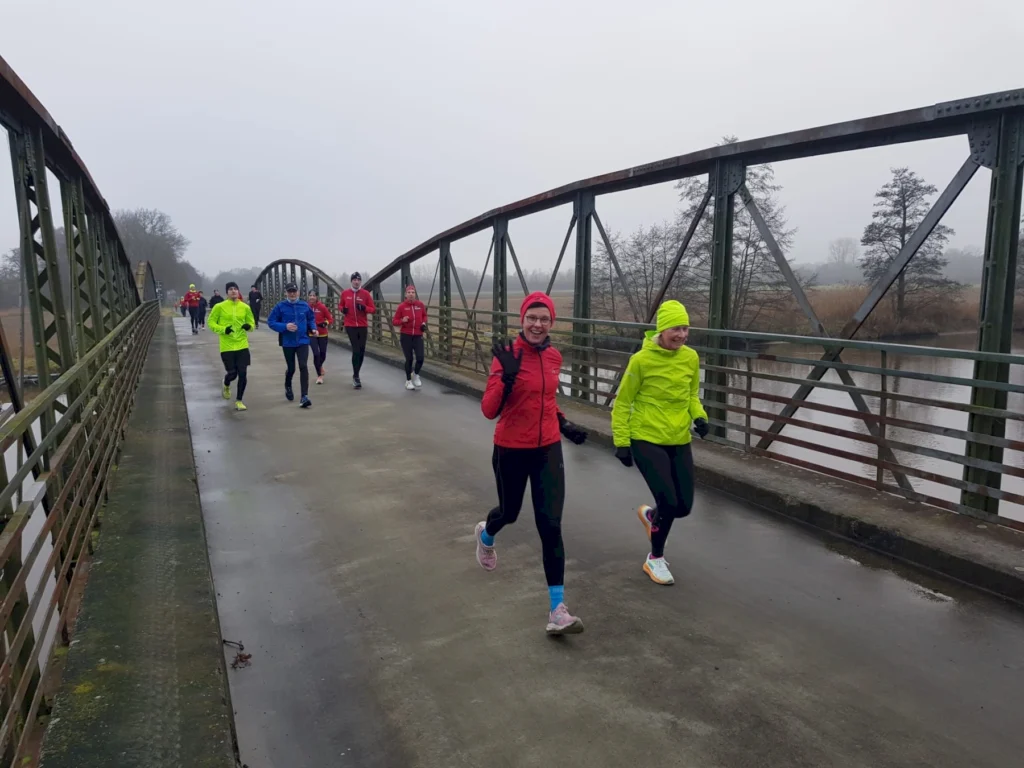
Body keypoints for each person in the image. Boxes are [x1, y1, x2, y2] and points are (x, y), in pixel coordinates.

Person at [474, 291, 589, 636]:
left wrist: (564, 424)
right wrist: (506, 380)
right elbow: (489, 410)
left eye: (544, 319)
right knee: (509, 513)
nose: (538, 325)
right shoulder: (507, 356)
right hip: (511, 447)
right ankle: (486, 533)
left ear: (552, 322)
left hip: (547, 449)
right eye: (532, 318)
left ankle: (557, 610)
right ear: (522, 320)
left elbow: (546, 399)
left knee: (550, 526)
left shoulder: (554, 356)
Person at [610, 300, 709, 587]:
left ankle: (651, 516)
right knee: (668, 500)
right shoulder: (641, 360)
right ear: (662, 330)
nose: (681, 335)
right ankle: (655, 558)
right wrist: (622, 442)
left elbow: (691, 395)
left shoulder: (690, 357)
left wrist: (700, 417)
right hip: (646, 437)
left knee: (683, 507)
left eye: (685, 329)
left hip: (678, 437)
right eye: (676, 329)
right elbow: (623, 402)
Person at [267, 282, 317, 408]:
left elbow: (311, 318)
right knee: (291, 368)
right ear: (286, 293)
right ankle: (288, 385)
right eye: (290, 291)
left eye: (294, 291)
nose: (292, 294)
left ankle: (304, 396)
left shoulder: (304, 305)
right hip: (288, 342)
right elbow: (271, 322)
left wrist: (313, 328)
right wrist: (285, 326)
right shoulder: (280, 306)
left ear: (298, 292)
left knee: (303, 366)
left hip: (303, 341)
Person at [208, 282, 255, 411]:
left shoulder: (245, 307)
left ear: (238, 291)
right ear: (227, 292)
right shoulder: (219, 306)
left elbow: (251, 323)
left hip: (242, 345)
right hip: (227, 346)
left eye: (235, 289)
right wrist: (223, 329)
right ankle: (226, 382)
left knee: (243, 373)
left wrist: (249, 326)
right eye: (230, 289)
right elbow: (211, 322)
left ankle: (239, 401)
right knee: (232, 374)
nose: (233, 291)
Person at [338, 272, 375, 389]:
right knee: (356, 350)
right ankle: (356, 376)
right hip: (350, 325)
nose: (356, 282)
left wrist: (364, 308)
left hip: (362, 325)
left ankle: (356, 373)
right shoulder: (345, 293)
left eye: (358, 280)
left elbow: (373, 309)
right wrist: (343, 310)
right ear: (351, 281)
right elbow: (340, 306)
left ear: (360, 282)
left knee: (362, 350)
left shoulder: (365, 294)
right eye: (354, 280)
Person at [392, 283, 427, 391]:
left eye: (413, 292)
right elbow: (394, 321)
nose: (411, 294)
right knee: (409, 358)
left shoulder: (420, 305)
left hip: (418, 335)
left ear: (415, 294)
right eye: (409, 292)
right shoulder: (402, 307)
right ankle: (408, 381)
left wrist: (423, 323)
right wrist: (402, 320)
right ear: (405, 294)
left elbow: (424, 316)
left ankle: (416, 374)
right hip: (406, 335)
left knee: (420, 358)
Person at [306, 289, 334, 384]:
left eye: (314, 295)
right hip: (312, 334)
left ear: (317, 297)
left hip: (322, 334)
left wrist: (325, 323)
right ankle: (319, 375)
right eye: (310, 295)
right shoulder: (306, 307)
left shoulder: (322, 307)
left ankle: (320, 366)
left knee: (323, 354)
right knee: (316, 354)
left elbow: (330, 319)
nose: (312, 297)